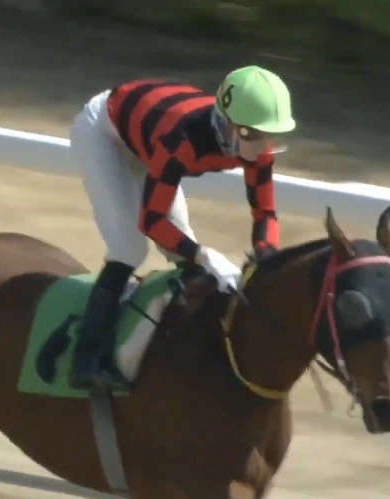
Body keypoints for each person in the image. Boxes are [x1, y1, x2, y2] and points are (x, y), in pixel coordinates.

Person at [67, 65, 296, 391]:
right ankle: (85, 361)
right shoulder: (183, 141)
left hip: (150, 138)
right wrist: (203, 255)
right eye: (252, 135)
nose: (263, 148)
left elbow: (265, 212)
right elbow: (151, 220)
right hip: (105, 133)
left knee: (181, 252)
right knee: (129, 248)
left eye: (271, 135)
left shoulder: (253, 146)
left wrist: (266, 257)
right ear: (227, 126)